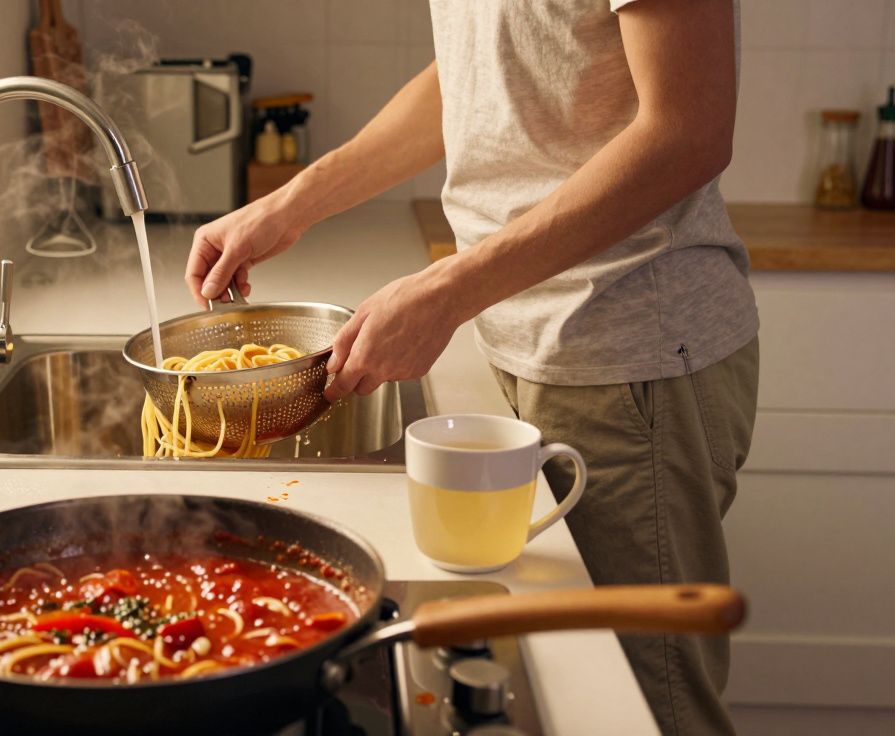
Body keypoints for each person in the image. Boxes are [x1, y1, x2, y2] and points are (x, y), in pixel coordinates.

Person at [184, 1, 758, 733]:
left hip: (628, 355)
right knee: (566, 694)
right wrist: (291, 204)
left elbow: (688, 133)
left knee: (647, 709)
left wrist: (447, 289)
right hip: (522, 339)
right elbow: (482, 70)